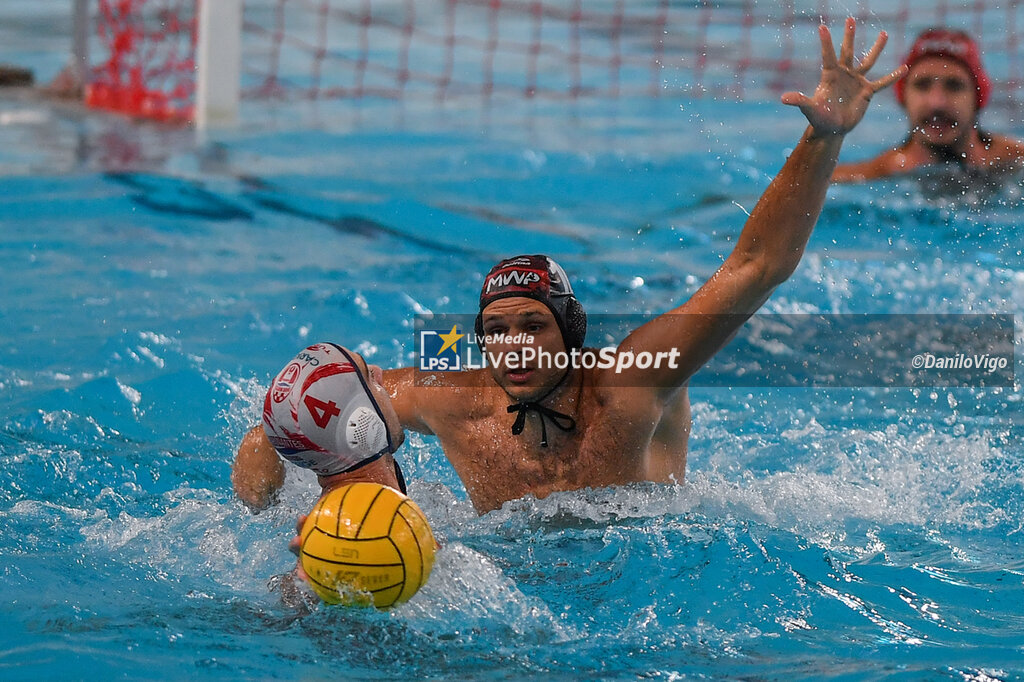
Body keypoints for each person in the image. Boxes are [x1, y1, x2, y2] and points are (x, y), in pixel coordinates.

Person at [235, 18, 905, 515]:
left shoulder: (631, 385)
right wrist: (274, 435)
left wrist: (824, 138)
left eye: (533, 324)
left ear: (572, 332)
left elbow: (755, 268)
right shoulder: (456, 404)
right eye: (496, 330)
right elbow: (320, 407)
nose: (513, 343)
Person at [832, 28, 1024, 182]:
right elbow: (806, 187)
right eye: (922, 85)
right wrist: (822, 135)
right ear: (903, 95)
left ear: (978, 97)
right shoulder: (878, 175)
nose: (937, 103)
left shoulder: (1015, 159)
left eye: (954, 86)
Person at [232, 342, 407, 510]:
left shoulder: (326, 524)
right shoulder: (387, 531)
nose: (378, 372)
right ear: (361, 424)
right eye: (368, 376)